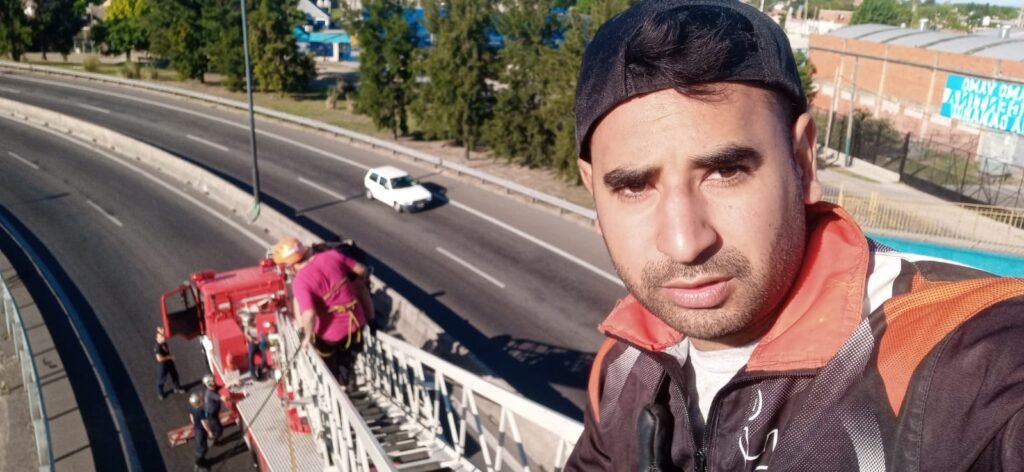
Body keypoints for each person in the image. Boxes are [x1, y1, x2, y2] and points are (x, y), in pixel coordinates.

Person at [566, 1, 1024, 470]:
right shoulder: (625, 363)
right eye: (634, 186)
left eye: (726, 171)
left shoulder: (969, 365)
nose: (685, 243)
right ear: (593, 188)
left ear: (803, 161)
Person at [272, 237, 375, 389]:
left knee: (329, 362)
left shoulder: (300, 281)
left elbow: (309, 313)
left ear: (289, 265)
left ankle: (342, 385)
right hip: (355, 323)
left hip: (330, 334)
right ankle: (346, 377)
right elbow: (362, 270)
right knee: (346, 356)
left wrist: (307, 336)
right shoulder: (332, 255)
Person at [154, 327, 185, 400]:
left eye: (163, 336)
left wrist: (160, 330)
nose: (163, 337)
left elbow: (162, 331)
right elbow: (159, 359)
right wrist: (169, 357)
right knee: (161, 379)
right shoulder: (157, 347)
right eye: (161, 337)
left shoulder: (163, 343)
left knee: (174, 375)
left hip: (169, 362)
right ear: (157, 339)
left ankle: (177, 388)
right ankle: (160, 393)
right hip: (163, 365)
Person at [188, 393, 210, 472]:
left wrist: (195, 424)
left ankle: (201, 462)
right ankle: (199, 465)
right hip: (201, 430)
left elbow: (192, 418)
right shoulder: (200, 411)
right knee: (202, 448)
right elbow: (204, 423)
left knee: (200, 446)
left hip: (197, 429)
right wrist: (209, 431)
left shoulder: (192, 408)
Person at [201, 374, 223, 444]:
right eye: (213, 382)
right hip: (211, 415)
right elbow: (223, 398)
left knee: (216, 427)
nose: (214, 384)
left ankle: (213, 437)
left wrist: (234, 382)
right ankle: (212, 440)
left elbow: (222, 386)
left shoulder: (212, 388)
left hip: (214, 413)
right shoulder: (210, 393)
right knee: (218, 429)